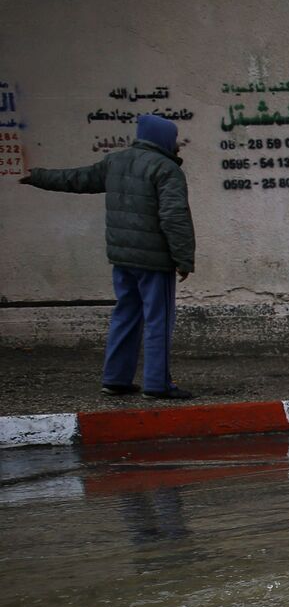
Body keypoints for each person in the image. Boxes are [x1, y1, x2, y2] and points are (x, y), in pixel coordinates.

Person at [19, 114, 196, 400]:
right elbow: (174, 217)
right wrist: (184, 258)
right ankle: (157, 384)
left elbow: (78, 178)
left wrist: (38, 176)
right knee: (158, 319)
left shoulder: (116, 161)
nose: (177, 145)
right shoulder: (166, 169)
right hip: (154, 261)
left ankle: (115, 379)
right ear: (163, 138)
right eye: (174, 139)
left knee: (126, 313)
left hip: (121, 257)